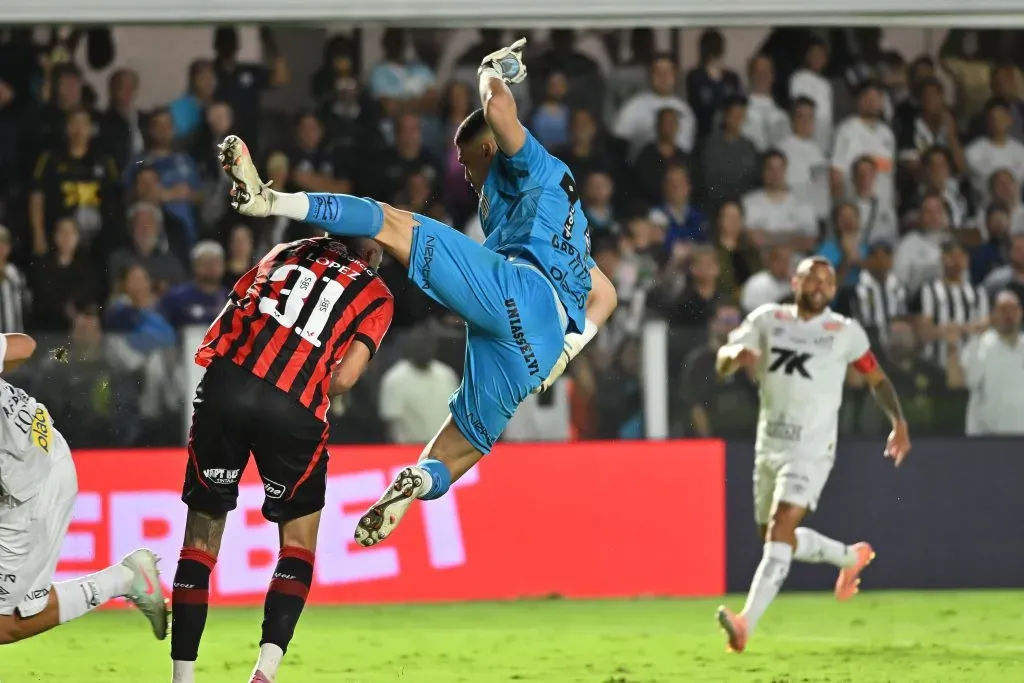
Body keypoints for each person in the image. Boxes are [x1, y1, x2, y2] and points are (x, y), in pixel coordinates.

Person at [218, 37, 617, 549]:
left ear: (489, 148)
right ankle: (419, 481)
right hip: (535, 348)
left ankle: (268, 199)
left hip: (519, 293)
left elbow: (496, 107)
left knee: (389, 219)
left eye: (466, 161)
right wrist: (565, 352)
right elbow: (603, 292)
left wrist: (493, 70)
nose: (465, 174)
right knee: (467, 441)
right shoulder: (564, 218)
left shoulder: (533, 164)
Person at [170, 236, 394, 683]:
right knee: (297, 542)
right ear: (371, 254)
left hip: (226, 387)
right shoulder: (376, 292)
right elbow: (345, 378)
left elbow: (234, 310)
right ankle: (263, 673)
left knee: (201, 536)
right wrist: (306, 376)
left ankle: (183, 677)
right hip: (292, 408)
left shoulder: (287, 250)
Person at [715, 256, 911, 653]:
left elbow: (876, 377)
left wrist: (899, 422)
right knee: (774, 536)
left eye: (828, 280)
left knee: (782, 523)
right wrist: (733, 360)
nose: (820, 285)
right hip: (769, 445)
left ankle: (745, 624)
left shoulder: (844, 331)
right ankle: (848, 556)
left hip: (811, 448)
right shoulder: (768, 319)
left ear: (834, 290)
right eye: (812, 278)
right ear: (796, 281)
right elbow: (722, 360)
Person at [0, 333, 168, 645]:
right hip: (41, 452)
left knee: (5, 624)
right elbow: (23, 346)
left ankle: (127, 578)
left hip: (32, 487)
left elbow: (25, 345)